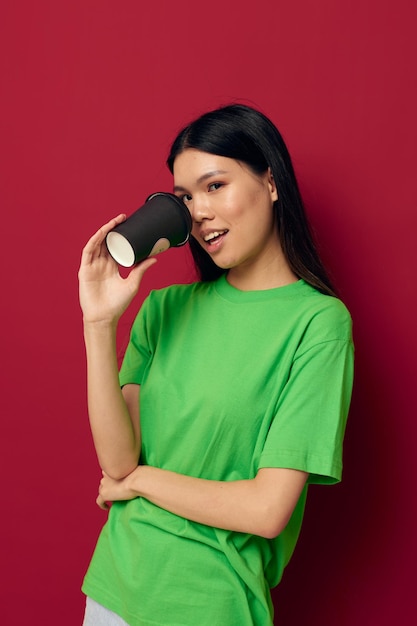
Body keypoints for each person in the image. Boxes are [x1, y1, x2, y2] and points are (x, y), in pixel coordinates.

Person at [78, 103, 354, 626]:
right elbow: (117, 462)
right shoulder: (163, 309)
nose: (198, 212)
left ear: (270, 182)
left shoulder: (318, 324)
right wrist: (98, 325)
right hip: (114, 588)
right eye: (184, 198)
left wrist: (140, 484)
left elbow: (266, 511)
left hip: (211, 604)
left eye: (214, 186)